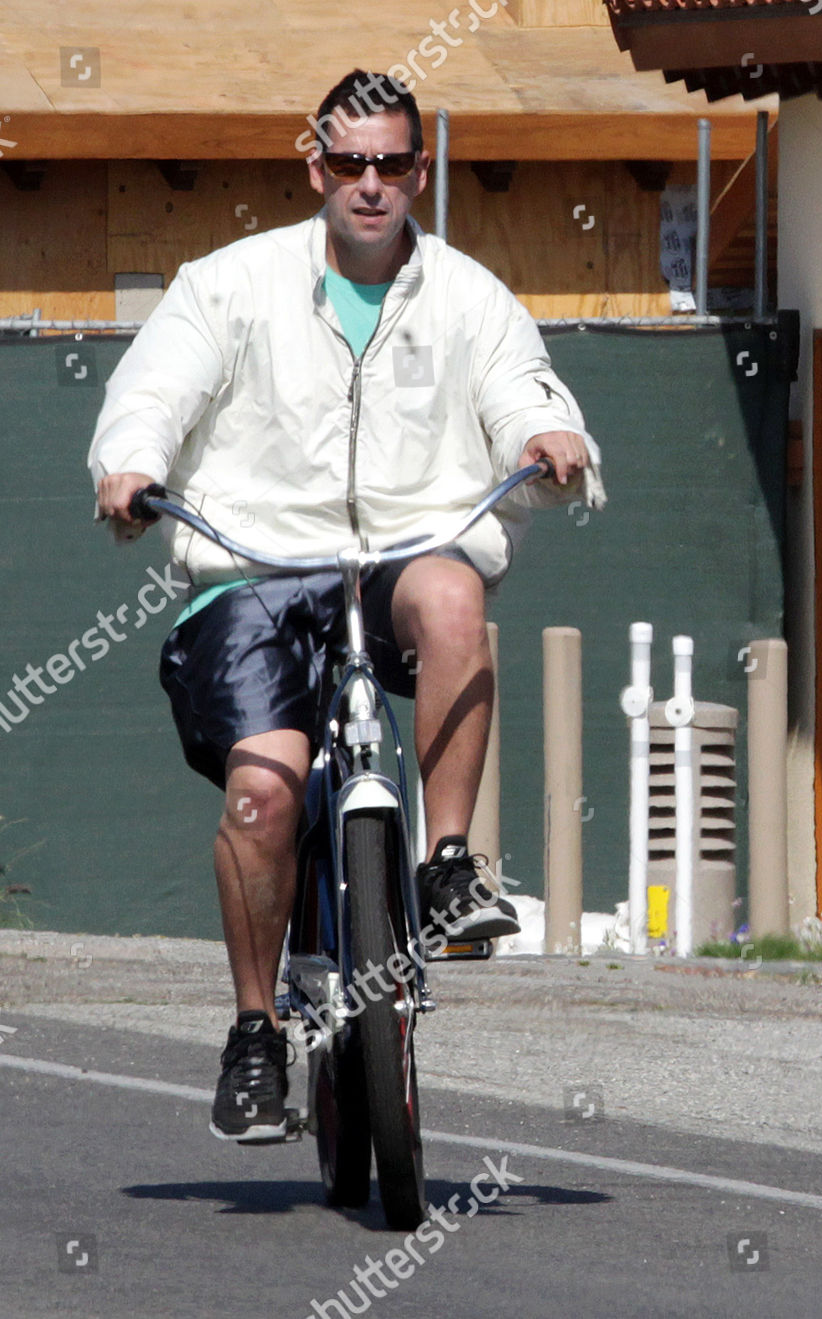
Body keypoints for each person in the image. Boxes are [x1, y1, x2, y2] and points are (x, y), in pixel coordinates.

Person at [89, 70, 604, 1143]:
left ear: (422, 170)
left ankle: (449, 861)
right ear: (313, 162)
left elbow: (523, 386)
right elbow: (154, 390)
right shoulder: (229, 284)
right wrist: (132, 465)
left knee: (458, 597)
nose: (372, 184)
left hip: (406, 553)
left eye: (394, 164)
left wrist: (547, 441)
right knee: (262, 800)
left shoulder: (468, 294)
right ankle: (253, 1027)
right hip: (257, 562)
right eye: (350, 161)